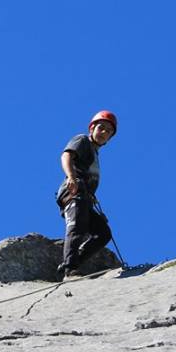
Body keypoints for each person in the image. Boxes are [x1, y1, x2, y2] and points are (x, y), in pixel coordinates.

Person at [55, 110, 117, 277]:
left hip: (85, 197)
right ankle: (70, 269)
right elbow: (66, 155)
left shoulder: (95, 154)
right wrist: (71, 177)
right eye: (101, 128)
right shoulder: (82, 140)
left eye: (108, 131)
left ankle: (72, 263)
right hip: (73, 191)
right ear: (92, 128)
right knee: (77, 226)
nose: (104, 133)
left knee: (103, 233)